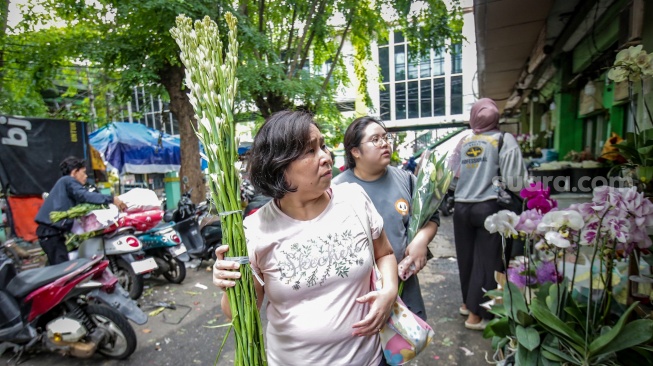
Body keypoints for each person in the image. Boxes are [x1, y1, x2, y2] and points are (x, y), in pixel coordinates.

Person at [212, 111, 398, 366]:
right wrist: (228, 285)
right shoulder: (255, 230)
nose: (326, 157)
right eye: (310, 151)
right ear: (279, 166)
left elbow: (385, 254)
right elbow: (240, 312)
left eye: (322, 146)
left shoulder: (354, 199)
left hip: (369, 360)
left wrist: (389, 290)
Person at [333, 116, 439, 321]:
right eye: (375, 139)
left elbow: (432, 217)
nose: (385, 143)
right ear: (355, 151)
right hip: (359, 294)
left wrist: (421, 240)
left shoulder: (407, 180)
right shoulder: (337, 190)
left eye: (386, 137)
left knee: (403, 349)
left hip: (404, 285)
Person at [449, 98, 527, 330]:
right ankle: (476, 315)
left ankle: (466, 303)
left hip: (461, 207)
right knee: (487, 260)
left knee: (467, 258)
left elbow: (451, 178)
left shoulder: (463, 141)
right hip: (489, 207)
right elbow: (515, 180)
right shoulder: (503, 140)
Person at [35, 156, 127, 265]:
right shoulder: (68, 180)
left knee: (62, 267)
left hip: (52, 233)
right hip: (50, 233)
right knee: (61, 270)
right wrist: (111, 199)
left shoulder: (65, 184)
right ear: (74, 172)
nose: (86, 176)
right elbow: (84, 195)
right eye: (83, 172)